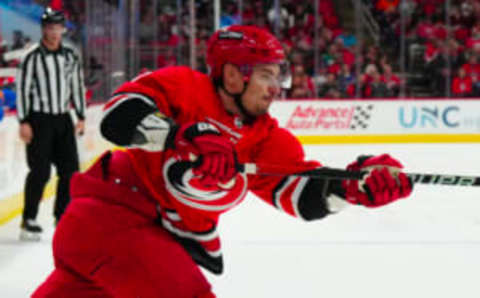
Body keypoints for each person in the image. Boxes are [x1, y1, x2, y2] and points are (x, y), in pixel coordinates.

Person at [33, 25, 412, 298]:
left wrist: (353, 186)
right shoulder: (187, 88)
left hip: (124, 243)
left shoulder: (266, 139)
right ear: (233, 75)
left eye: (277, 76)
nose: (274, 87)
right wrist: (179, 135)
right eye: (265, 75)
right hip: (113, 218)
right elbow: (117, 116)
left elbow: (300, 193)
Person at [16, 7, 86, 241]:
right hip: (39, 119)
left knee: (70, 170)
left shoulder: (70, 55)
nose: (54, 32)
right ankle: (29, 218)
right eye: (50, 28)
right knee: (40, 171)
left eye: (58, 28)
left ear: (63, 30)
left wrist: (81, 115)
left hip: (63, 119)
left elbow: (76, 84)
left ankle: (62, 215)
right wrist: (24, 121)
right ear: (43, 29)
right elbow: (22, 89)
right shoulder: (31, 57)